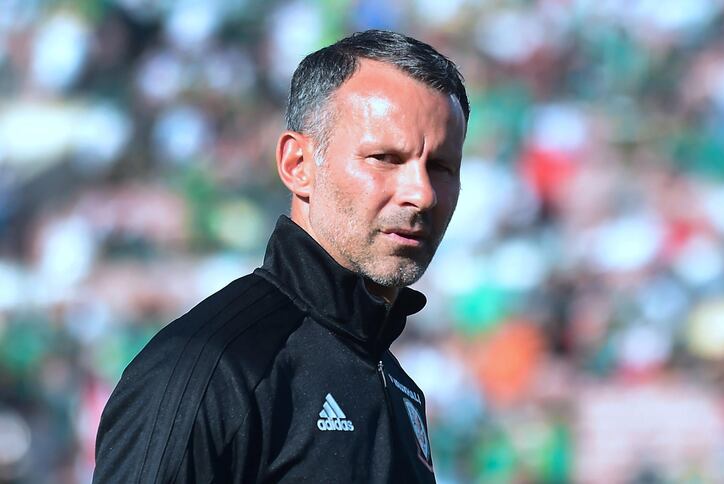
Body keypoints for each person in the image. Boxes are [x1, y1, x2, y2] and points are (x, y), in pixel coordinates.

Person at [92, 29, 469, 483]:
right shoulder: (211, 369)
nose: (422, 194)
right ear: (298, 165)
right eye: (385, 158)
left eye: (441, 167)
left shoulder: (396, 383)